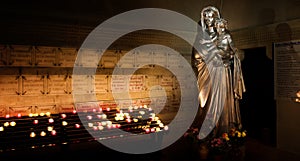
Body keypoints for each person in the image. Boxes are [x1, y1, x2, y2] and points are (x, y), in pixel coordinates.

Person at [192, 6, 246, 139]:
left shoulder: (224, 34)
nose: (209, 19)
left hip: (222, 72)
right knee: (206, 99)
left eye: (211, 16)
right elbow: (197, 56)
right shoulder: (201, 36)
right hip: (208, 73)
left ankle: (225, 126)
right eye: (206, 16)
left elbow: (232, 51)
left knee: (223, 97)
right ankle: (208, 127)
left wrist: (228, 56)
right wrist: (212, 55)